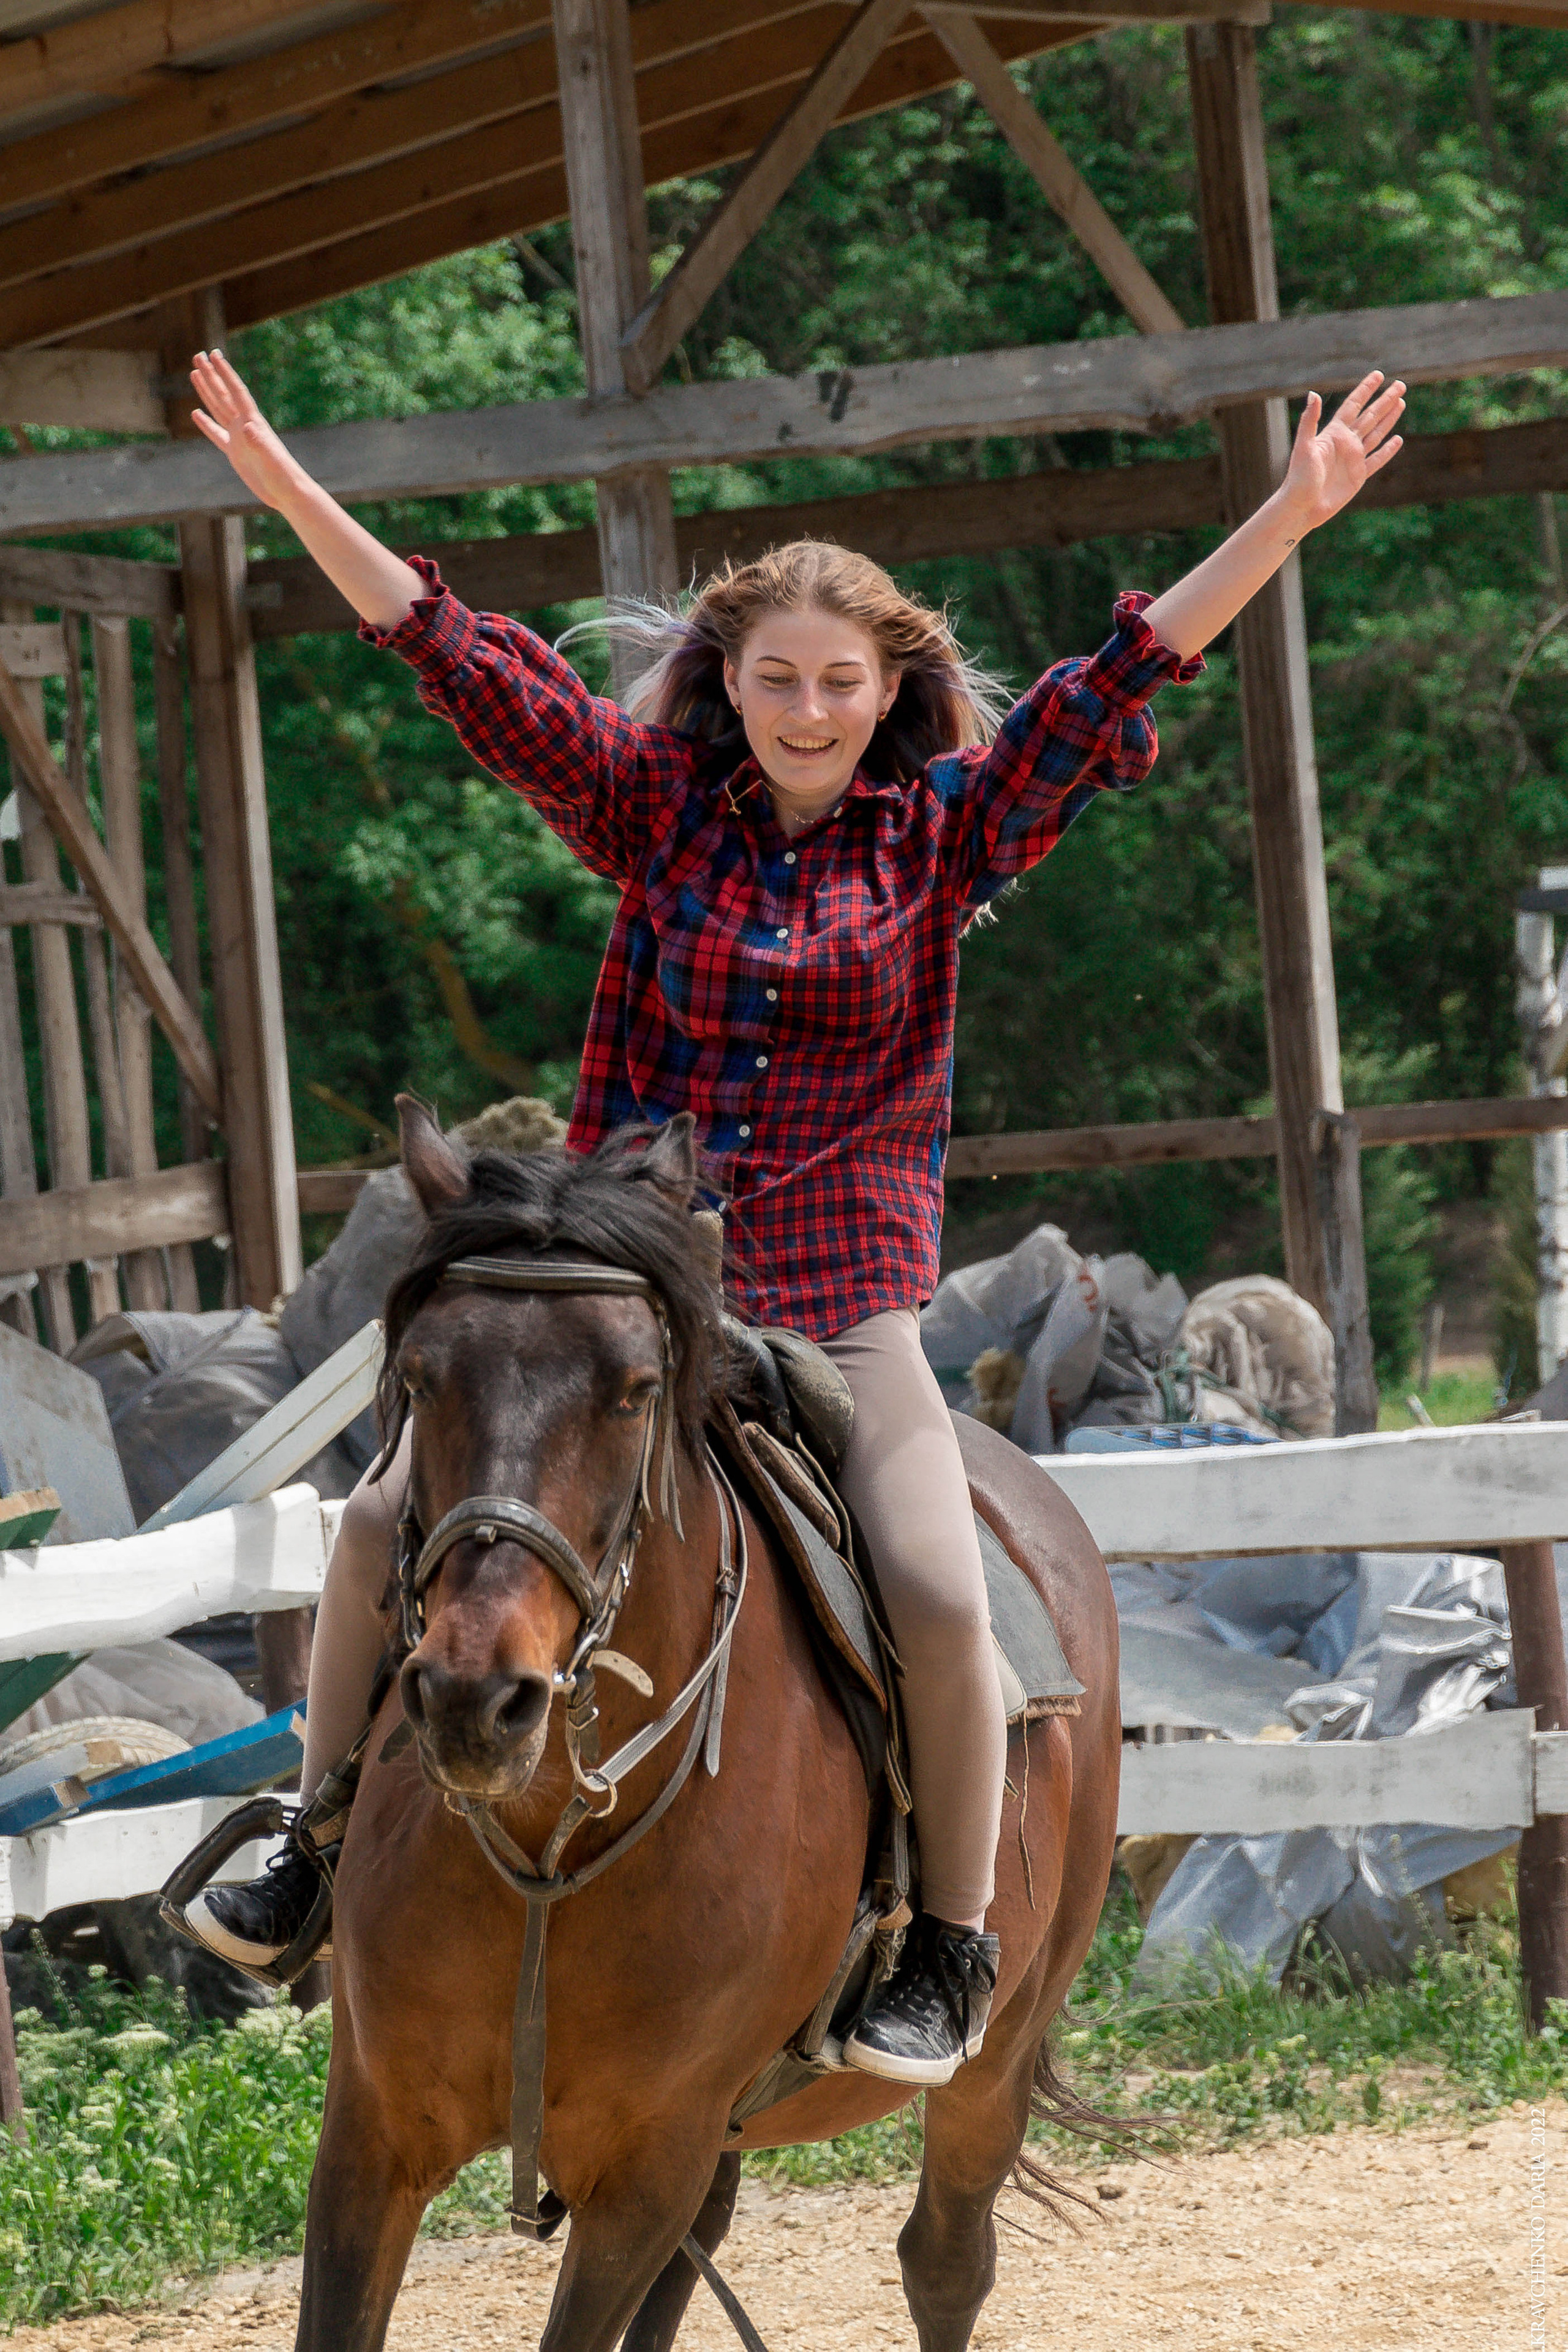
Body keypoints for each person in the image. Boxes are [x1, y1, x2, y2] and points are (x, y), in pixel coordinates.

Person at [183, 347, 1403, 2082]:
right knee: (384, 1523)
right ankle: (313, 1848)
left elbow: (1119, 679)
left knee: (941, 1592)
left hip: (841, 1303)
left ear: (889, 688)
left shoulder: (946, 836)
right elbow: (463, 659)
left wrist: (1287, 515)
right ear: (730, 681)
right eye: (776, 679)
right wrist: (293, 488)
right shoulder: (651, 804)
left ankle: (949, 1946)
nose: (808, 710)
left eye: (840, 681)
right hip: (627, 1293)